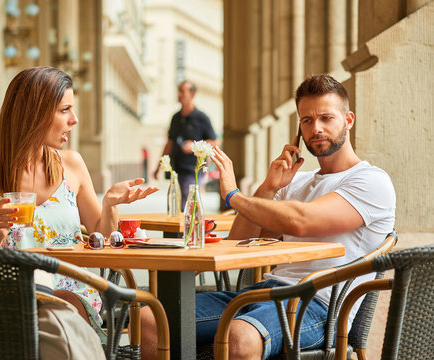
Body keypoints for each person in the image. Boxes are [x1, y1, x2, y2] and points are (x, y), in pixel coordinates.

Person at [140, 74, 396, 359]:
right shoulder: (297, 182)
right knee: (150, 319)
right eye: (307, 121)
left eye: (326, 118)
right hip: (267, 291)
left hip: (320, 304)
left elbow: (302, 220)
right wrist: (268, 187)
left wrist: (233, 196)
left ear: (348, 120)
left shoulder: (371, 181)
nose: (317, 128)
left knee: (239, 337)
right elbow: (241, 241)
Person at [0, 66, 158, 345]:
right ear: (34, 112)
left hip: (72, 294)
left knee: (75, 307)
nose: (74, 120)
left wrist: (110, 204)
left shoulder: (72, 165)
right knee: (60, 310)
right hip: (10, 301)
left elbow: (104, 243)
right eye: (64, 110)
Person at [153, 80, 217, 208]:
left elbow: (213, 142)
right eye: (178, 91)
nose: (179, 94)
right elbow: (169, 142)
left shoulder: (202, 118)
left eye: (182, 91)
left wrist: (193, 146)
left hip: (192, 168)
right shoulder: (175, 117)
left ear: (192, 94)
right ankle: (176, 227)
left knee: (188, 200)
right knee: (174, 202)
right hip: (175, 168)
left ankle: (188, 227)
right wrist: (158, 167)